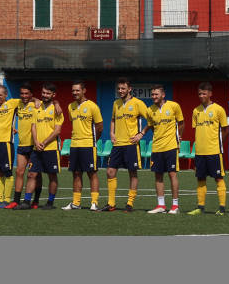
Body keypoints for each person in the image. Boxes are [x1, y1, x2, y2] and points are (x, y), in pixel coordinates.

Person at [103, 77, 148, 212]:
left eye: (123, 88)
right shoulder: (116, 103)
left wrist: (141, 134)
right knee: (110, 171)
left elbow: (151, 120)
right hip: (117, 144)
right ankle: (111, 204)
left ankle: (130, 204)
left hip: (131, 144)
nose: (120, 91)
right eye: (119, 89)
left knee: (132, 173)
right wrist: (111, 133)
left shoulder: (138, 103)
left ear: (129, 89)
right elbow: (112, 120)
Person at [18, 83, 63, 210]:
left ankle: (50, 202)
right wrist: (36, 142)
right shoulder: (36, 108)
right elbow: (33, 126)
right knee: (31, 174)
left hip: (51, 148)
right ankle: (26, 201)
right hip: (36, 148)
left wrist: (44, 142)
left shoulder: (57, 109)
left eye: (48, 93)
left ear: (53, 95)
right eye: (43, 93)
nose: (45, 95)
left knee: (52, 175)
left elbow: (57, 130)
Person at [187, 82, 228, 216]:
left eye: (204, 93)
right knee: (200, 179)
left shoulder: (218, 109)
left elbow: (225, 129)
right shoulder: (196, 111)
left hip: (214, 151)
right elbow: (196, 131)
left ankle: (221, 208)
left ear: (210, 94)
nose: (201, 96)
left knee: (218, 179)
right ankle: (200, 207)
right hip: (200, 152)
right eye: (199, 93)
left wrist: (218, 143)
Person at [64, 81, 103, 211]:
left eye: (77, 90)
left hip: (88, 145)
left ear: (84, 90)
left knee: (92, 173)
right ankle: (76, 203)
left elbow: (99, 127)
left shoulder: (92, 106)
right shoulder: (71, 107)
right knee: (76, 173)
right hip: (74, 145)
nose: (74, 93)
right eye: (73, 91)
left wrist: (92, 141)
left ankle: (94, 202)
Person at [144, 85, 183, 214]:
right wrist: (142, 133)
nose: (154, 97)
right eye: (152, 94)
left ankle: (175, 206)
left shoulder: (174, 106)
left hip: (171, 146)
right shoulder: (149, 110)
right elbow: (151, 126)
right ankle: (161, 205)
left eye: (156, 94)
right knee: (158, 176)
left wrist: (179, 137)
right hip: (156, 147)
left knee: (172, 174)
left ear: (163, 95)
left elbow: (181, 122)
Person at [6, 84, 38, 209]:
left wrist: (36, 100)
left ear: (31, 94)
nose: (24, 96)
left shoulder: (36, 105)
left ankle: (35, 201)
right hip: (22, 143)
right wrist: (11, 126)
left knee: (35, 174)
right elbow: (4, 110)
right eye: (22, 93)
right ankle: (16, 201)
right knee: (19, 172)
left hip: (34, 145)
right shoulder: (17, 104)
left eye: (26, 93)